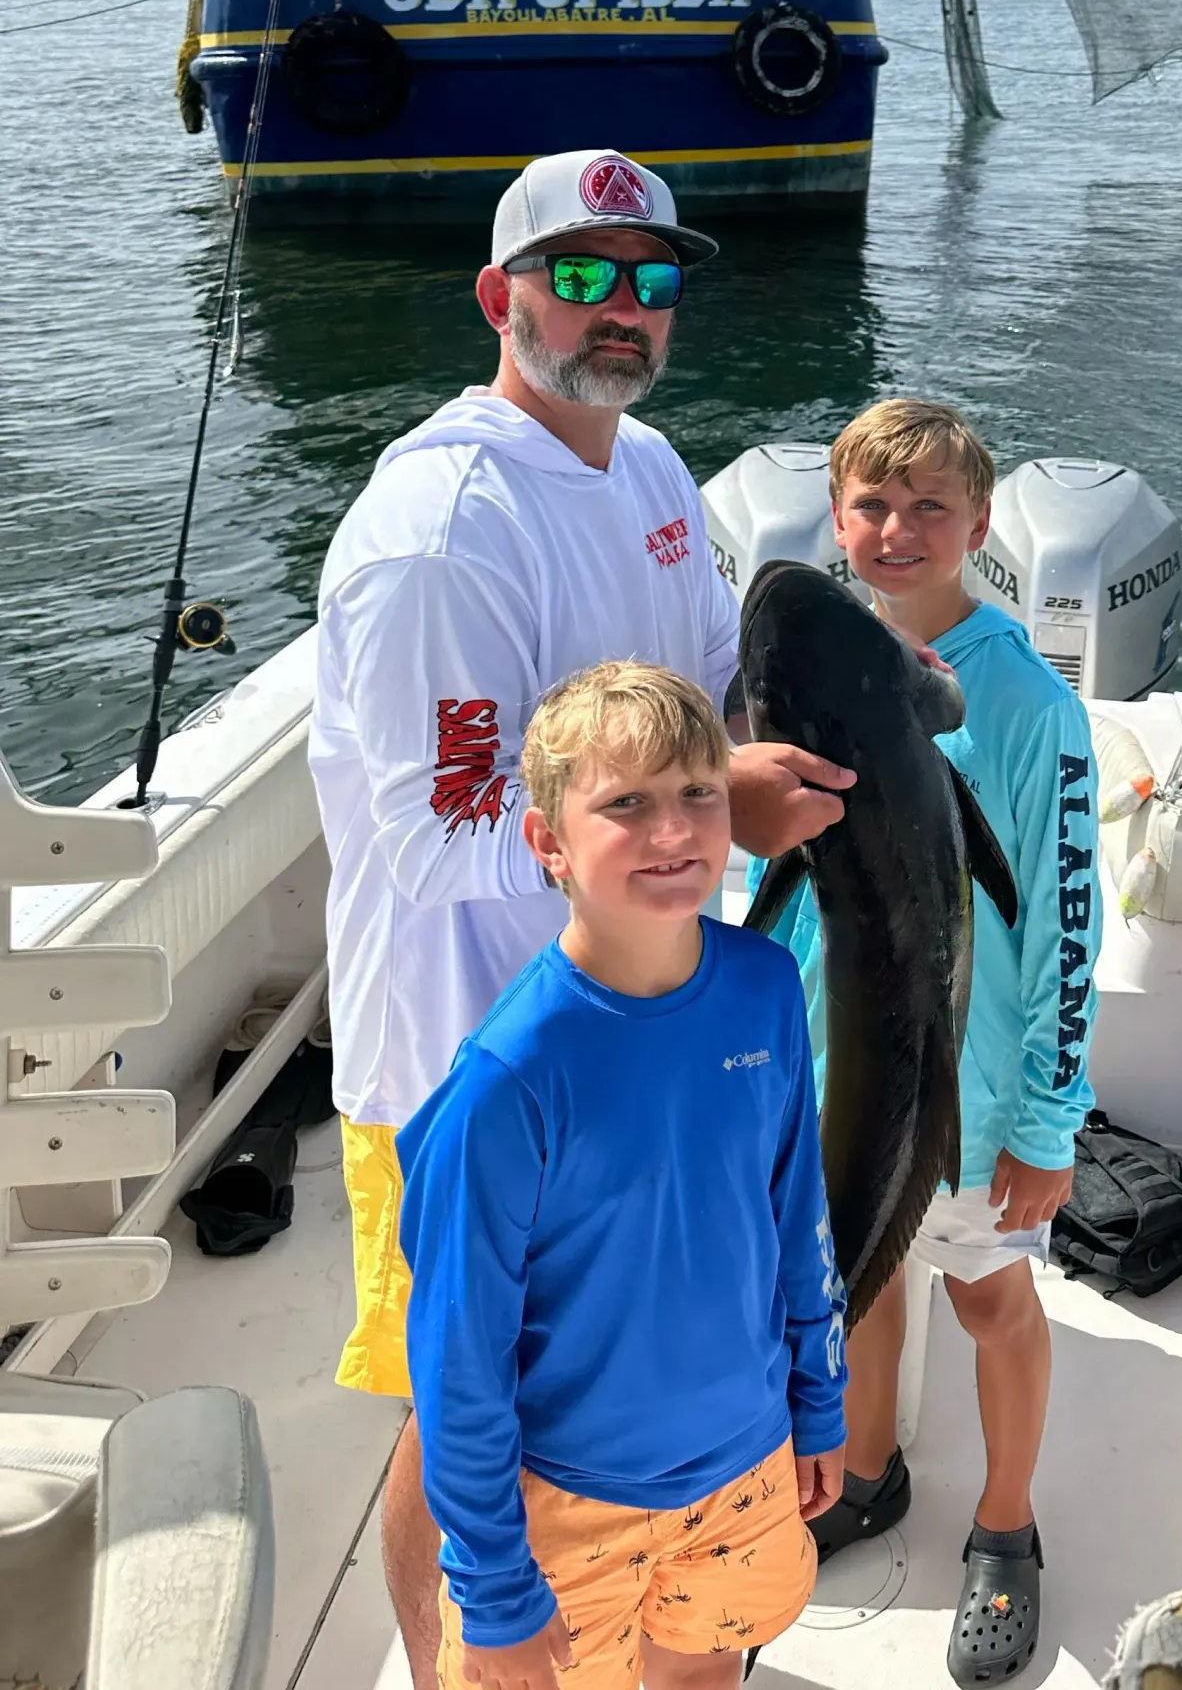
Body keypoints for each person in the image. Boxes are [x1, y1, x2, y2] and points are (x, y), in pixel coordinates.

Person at [309, 149, 855, 1687]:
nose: (623, 307)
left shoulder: (657, 470)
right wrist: (715, 809)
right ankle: (454, 1663)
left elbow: (709, 695)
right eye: (583, 275)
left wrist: (818, 738)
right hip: (462, 1054)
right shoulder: (442, 533)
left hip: (652, 1021)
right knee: (458, 1402)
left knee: (631, 1353)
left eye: (651, 278)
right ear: (501, 296)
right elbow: (432, 836)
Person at [398, 663, 846, 1690]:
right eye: (626, 805)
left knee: (706, 1673)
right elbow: (460, 1361)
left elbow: (798, 1218)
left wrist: (818, 1400)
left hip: (746, 1461)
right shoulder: (506, 1079)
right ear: (547, 842)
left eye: (699, 792)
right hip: (566, 1503)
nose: (673, 829)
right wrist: (496, 1590)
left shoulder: (766, 986)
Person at [759, 398, 1101, 1687]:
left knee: (989, 1297)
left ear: (983, 524)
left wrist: (1050, 1126)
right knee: (860, 1271)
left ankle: (1006, 1526)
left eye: (930, 509)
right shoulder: (810, 680)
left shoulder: (1027, 703)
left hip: (971, 1089)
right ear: (835, 516)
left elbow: (1069, 919)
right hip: (822, 1066)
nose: (898, 531)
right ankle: (867, 1473)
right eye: (873, 506)